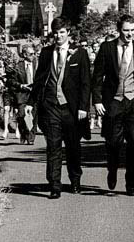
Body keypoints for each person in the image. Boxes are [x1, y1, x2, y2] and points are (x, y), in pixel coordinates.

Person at [91, 14, 134, 196]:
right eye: (126, 30)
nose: (129, 34)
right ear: (119, 30)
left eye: (132, 30)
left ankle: (131, 185)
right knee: (113, 143)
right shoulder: (107, 48)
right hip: (114, 101)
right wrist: (97, 100)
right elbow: (97, 76)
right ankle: (112, 170)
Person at [25, 18, 91, 199]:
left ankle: (75, 180)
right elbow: (39, 80)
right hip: (51, 106)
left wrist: (84, 107)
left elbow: (86, 83)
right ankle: (54, 185)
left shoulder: (80, 53)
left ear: (68, 33)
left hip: (71, 108)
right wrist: (31, 103)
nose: (58, 36)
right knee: (53, 147)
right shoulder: (46, 53)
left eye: (62, 32)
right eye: (56, 32)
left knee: (73, 147)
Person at [8, 44, 37, 144]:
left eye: (34, 53)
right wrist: (21, 86)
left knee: (33, 116)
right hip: (22, 94)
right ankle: (24, 134)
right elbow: (11, 80)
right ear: (24, 55)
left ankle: (31, 138)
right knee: (21, 115)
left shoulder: (37, 64)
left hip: (34, 94)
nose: (33, 56)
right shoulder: (18, 66)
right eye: (31, 54)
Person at [0, 57, 15, 140]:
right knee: (6, 109)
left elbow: (13, 78)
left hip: (13, 92)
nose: (0, 64)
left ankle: (17, 129)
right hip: (5, 92)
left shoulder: (9, 70)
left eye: (1, 63)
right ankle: (6, 130)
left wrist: (5, 79)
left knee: (15, 111)